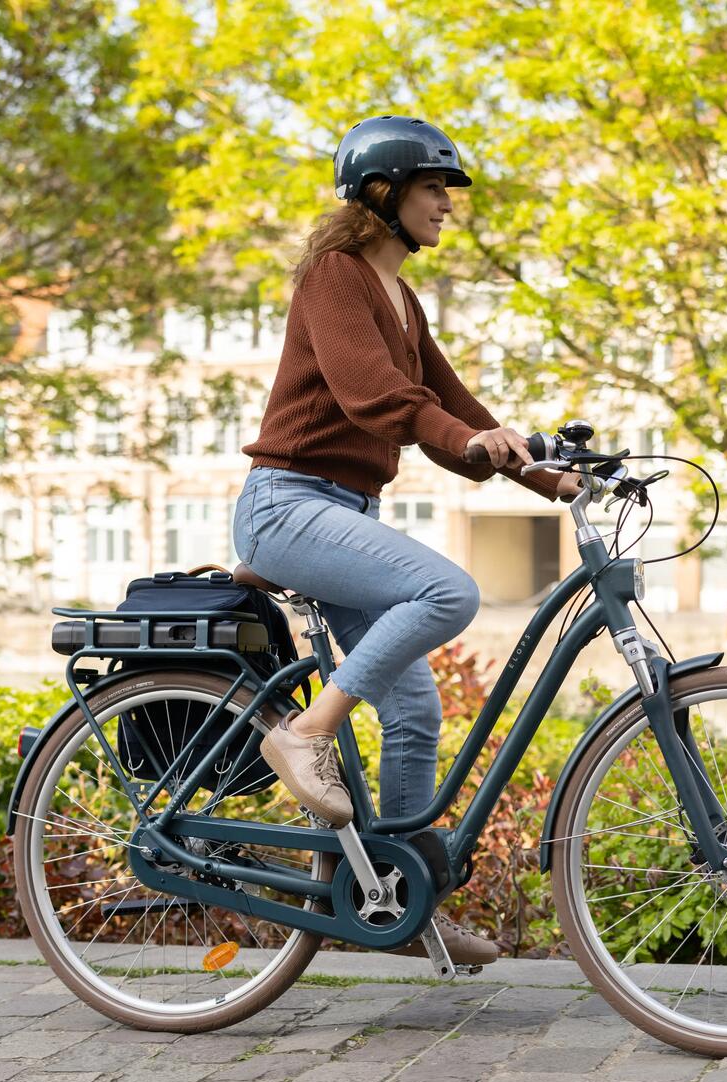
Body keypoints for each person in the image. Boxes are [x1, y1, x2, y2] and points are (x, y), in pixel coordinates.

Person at [231, 116, 582, 965]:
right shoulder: (334, 277)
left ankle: (399, 906)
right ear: (383, 193)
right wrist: (466, 441)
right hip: (286, 505)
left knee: (417, 708)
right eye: (434, 190)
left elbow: (454, 412)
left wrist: (554, 475)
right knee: (447, 591)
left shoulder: (402, 299)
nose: (446, 209)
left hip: (347, 513)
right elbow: (371, 396)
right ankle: (305, 735)